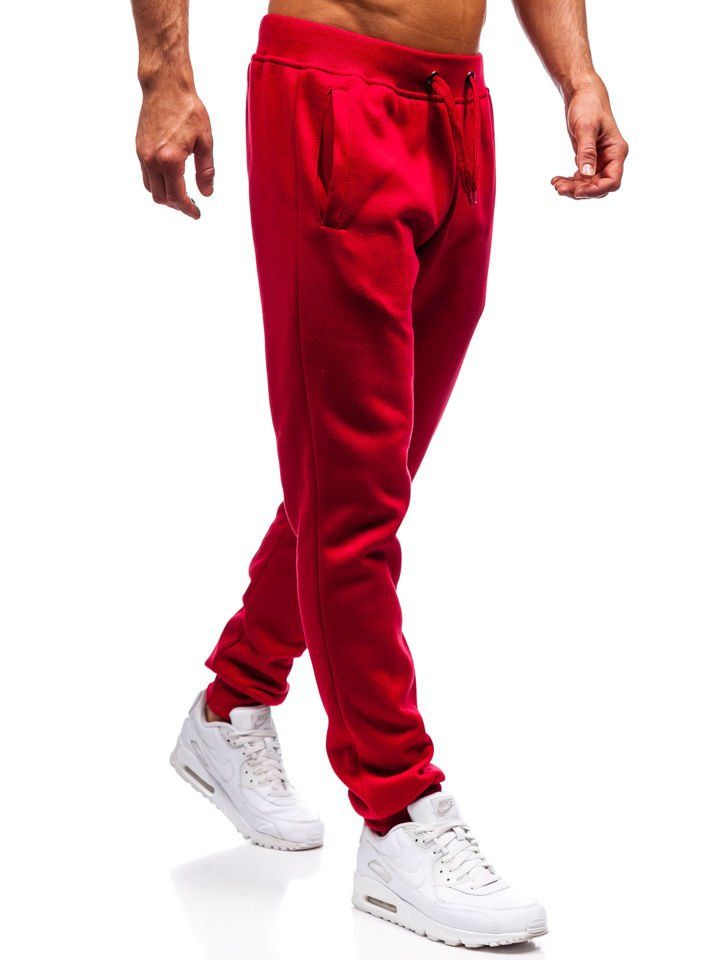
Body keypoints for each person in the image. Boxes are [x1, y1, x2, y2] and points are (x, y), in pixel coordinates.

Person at [131, 0, 627, 946]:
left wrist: (579, 75)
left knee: (361, 479)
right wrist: (165, 75)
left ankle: (233, 703)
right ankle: (398, 811)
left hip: (458, 109)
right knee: (353, 502)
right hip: (332, 95)